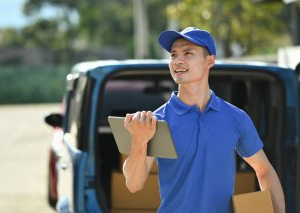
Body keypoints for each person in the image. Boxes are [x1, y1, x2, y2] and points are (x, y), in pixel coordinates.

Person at [122, 27, 285, 213]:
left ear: (210, 61)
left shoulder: (235, 118)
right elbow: (134, 185)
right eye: (173, 54)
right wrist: (138, 143)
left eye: (188, 53)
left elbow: (264, 170)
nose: (178, 60)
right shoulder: (157, 121)